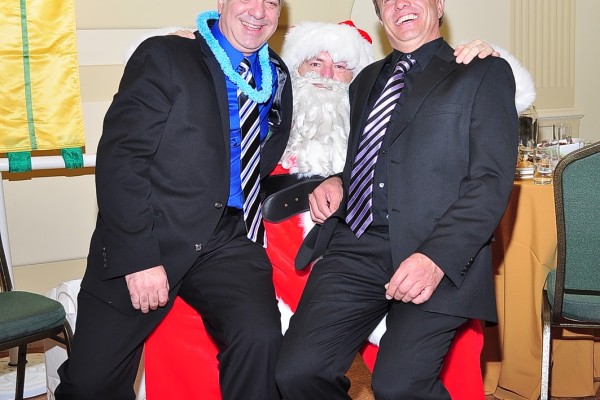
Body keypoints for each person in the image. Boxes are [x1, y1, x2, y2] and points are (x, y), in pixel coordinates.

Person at [275, 0, 520, 398]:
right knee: (296, 371)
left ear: (438, 5)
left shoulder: (481, 71)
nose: (400, 4)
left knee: (398, 386)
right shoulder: (365, 80)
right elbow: (375, 158)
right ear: (380, 14)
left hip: (435, 249)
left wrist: (434, 259)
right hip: (356, 246)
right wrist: (339, 181)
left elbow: (490, 182)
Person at [55, 1, 292, 399]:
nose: (259, 11)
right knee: (92, 384)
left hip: (228, 238)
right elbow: (121, 159)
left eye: (272, 1)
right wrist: (139, 258)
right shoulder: (166, 55)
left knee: (259, 339)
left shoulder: (276, 74)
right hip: (153, 230)